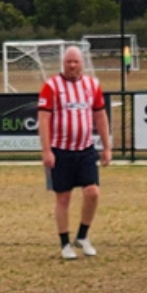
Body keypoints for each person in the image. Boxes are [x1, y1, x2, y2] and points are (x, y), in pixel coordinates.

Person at [38, 45, 112, 260]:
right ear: (63, 63)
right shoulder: (51, 86)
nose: (72, 65)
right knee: (63, 197)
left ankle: (82, 235)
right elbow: (43, 119)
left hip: (86, 149)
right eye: (68, 61)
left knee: (92, 193)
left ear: (82, 63)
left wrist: (106, 147)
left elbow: (100, 116)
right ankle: (64, 243)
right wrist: (47, 150)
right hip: (61, 151)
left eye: (76, 62)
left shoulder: (92, 85)